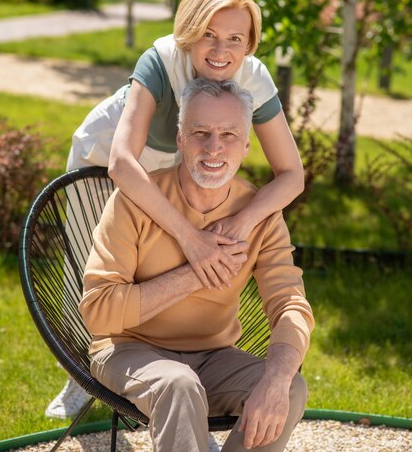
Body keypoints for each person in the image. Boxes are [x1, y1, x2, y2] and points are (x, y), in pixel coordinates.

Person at [45, 0, 304, 420]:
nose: (221, 50)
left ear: (250, 44)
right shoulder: (163, 59)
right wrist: (187, 236)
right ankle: (83, 375)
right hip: (112, 149)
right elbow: (123, 165)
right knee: (92, 266)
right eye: (209, 34)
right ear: (189, 32)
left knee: (163, 259)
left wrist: (241, 223)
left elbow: (292, 175)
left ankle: (181, 400)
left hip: (183, 151)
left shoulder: (253, 77)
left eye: (235, 39)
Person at [79, 78, 314, 452]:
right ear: (180, 139)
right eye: (200, 132)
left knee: (291, 386)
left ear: (248, 144)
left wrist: (277, 376)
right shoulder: (134, 203)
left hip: (214, 356)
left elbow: (291, 306)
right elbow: (97, 313)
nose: (214, 147)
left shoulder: (259, 215)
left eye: (229, 134)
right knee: (179, 383)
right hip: (129, 351)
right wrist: (195, 271)